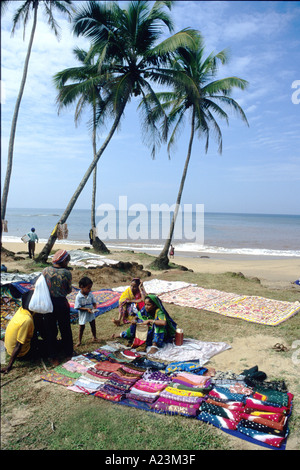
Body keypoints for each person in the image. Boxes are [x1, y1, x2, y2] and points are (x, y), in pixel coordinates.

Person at [42, 249, 73, 365]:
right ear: (64, 260)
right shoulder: (66, 273)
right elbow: (69, 290)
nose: (68, 263)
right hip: (61, 303)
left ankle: (53, 356)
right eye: (67, 261)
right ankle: (68, 353)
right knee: (65, 329)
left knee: (50, 330)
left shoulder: (45, 271)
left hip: (48, 303)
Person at [1, 291, 43, 374]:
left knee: (37, 323)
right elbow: (19, 345)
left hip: (9, 348)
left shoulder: (21, 310)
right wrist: (9, 366)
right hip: (22, 354)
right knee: (48, 348)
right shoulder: (26, 320)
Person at [75, 277, 98, 347]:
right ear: (81, 287)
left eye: (90, 288)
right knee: (82, 327)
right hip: (83, 314)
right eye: (88, 288)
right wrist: (86, 309)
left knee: (93, 324)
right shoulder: (78, 297)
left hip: (90, 312)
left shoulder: (90, 294)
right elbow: (77, 307)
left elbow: (94, 302)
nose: (90, 289)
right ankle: (79, 341)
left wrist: (94, 306)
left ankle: (94, 337)